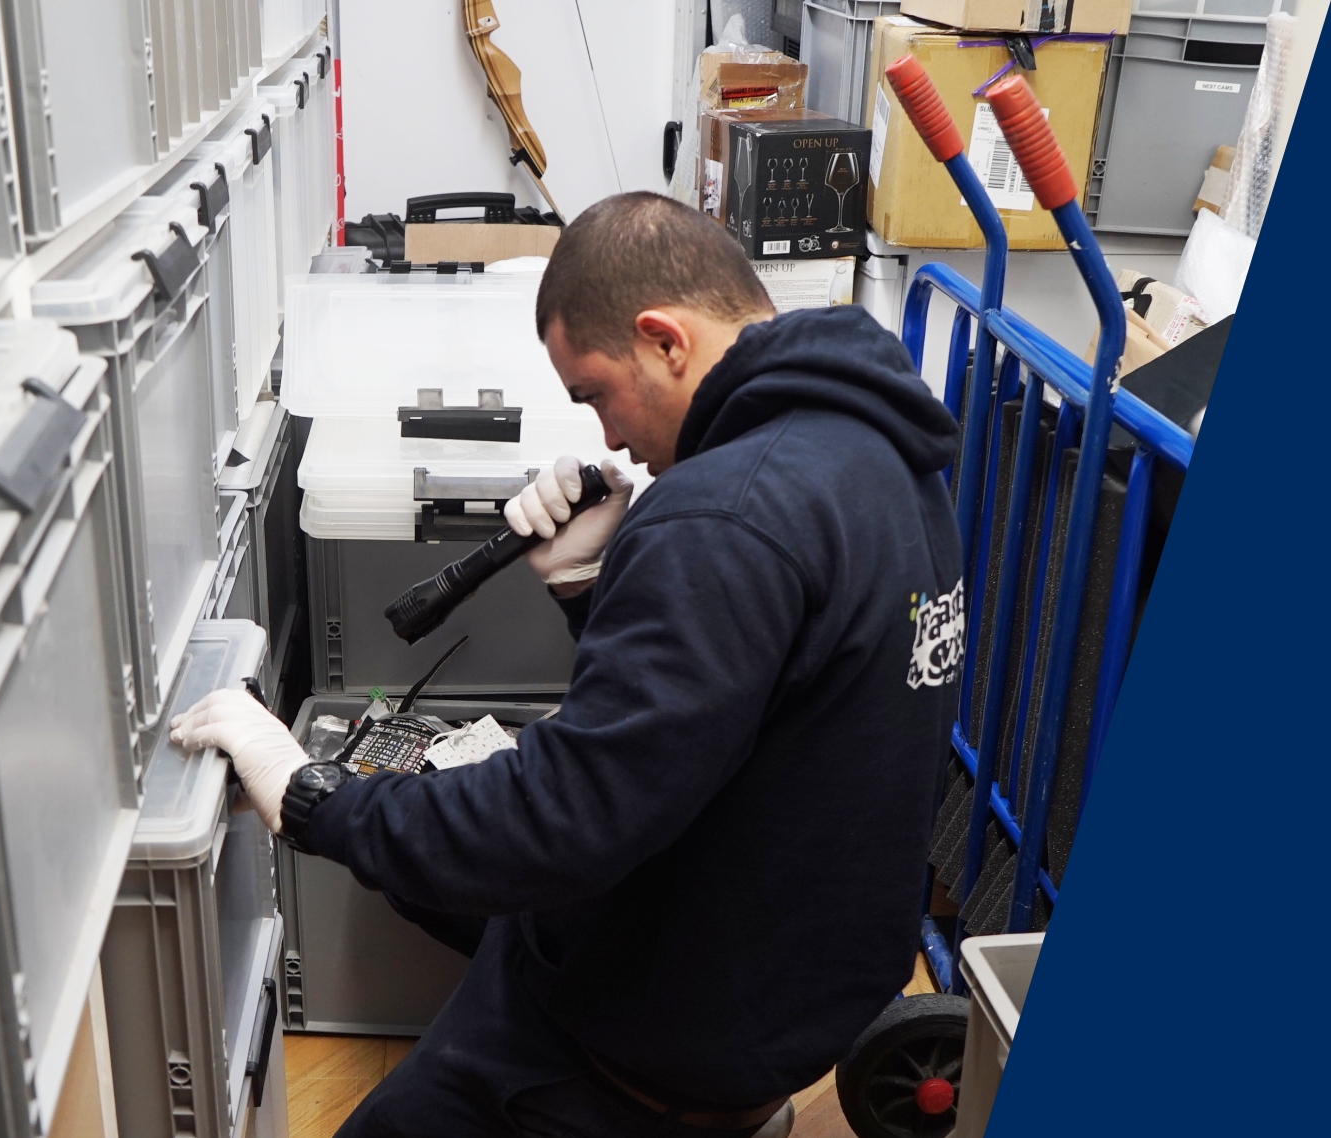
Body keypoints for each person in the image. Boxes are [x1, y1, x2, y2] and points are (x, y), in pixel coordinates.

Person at [171, 192, 966, 1137]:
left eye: (594, 394)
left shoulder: (723, 516)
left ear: (666, 340)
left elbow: (563, 823)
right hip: (780, 968)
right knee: (414, 872)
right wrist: (590, 588)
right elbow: (736, 717)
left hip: (670, 1029)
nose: (608, 439)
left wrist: (312, 797)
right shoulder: (882, 454)